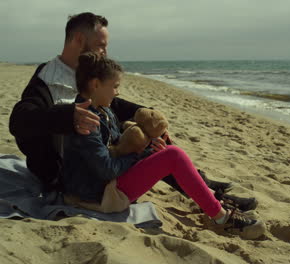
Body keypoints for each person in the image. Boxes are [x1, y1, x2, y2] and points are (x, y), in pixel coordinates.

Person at [9, 12, 256, 211]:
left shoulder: (89, 77)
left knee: (150, 135)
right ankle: (209, 194)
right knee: (148, 150)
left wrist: (147, 114)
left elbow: (117, 105)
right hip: (68, 176)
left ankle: (203, 186)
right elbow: (19, 120)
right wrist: (67, 116)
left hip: (97, 162)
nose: (104, 52)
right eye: (100, 46)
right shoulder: (47, 79)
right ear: (77, 41)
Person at [61, 52, 266, 239]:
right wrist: (141, 154)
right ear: (96, 84)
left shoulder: (102, 111)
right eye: (114, 86)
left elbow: (115, 144)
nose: (117, 91)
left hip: (102, 187)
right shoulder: (87, 121)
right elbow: (106, 169)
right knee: (173, 155)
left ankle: (215, 205)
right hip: (98, 196)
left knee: (167, 151)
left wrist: (147, 144)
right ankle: (222, 217)